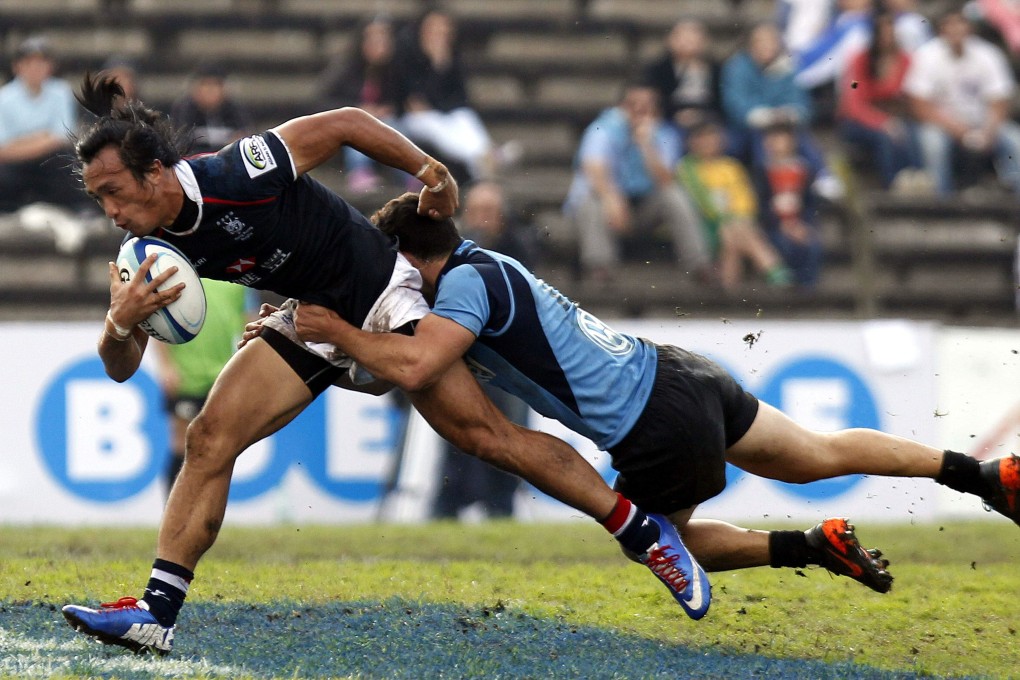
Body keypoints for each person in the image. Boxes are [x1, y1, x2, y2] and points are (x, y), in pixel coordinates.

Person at [60, 73, 708, 656]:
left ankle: (641, 531)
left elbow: (344, 122)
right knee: (208, 439)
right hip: (310, 318)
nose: (111, 212)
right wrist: (121, 321)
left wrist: (432, 170)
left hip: (379, 295)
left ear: (153, 171)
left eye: (114, 192)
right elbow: (121, 367)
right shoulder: (144, 251)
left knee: (489, 437)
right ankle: (157, 613)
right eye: (98, 200)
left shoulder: (238, 173)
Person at [281, 191, 1019, 613]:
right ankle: (979, 475)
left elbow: (416, 365)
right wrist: (338, 355)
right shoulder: (488, 263)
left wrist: (333, 328)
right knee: (817, 454)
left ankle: (808, 549)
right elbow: (393, 366)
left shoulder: (463, 289)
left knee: (659, 539)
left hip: (652, 426)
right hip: (685, 377)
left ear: (408, 257)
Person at [433, 181, 534, 519]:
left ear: (502, 217)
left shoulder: (518, 247)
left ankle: (500, 504)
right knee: (457, 434)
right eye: (475, 212)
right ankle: (449, 505)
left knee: (510, 433)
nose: (481, 220)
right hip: (461, 356)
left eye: (488, 212)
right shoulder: (450, 247)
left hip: (507, 360)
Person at [562, 82, 711, 284]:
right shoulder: (602, 128)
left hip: (644, 208)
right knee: (592, 202)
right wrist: (612, 199)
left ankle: (699, 265)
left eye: (647, 105)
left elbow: (667, 180)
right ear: (622, 106)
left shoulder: (664, 133)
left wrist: (646, 145)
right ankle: (600, 268)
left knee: (675, 195)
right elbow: (593, 169)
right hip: (608, 206)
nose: (640, 111)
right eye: (633, 105)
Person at [902, 9, 1020, 197]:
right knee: (933, 143)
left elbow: (999, 98)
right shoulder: (927, 55)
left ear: (969, 28)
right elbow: (919, 104)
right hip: (942, 125)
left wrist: (989, 131)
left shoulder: (988, 54)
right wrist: (958, 129)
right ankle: (942, 200)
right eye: (950, 24)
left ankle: (1016, 201)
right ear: (942, 29)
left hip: (983, 124)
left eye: (960, 24)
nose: (956, 29)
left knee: (1015, 140)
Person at [720, 23, 842, 201]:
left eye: (771, 41)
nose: (766, 47)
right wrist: (762, 115)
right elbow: (734, 103)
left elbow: (802, 103)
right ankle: (769, 187)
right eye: (760, 42)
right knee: (763, 138)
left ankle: (822, 175)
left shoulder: (787, 67)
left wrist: (791, 113)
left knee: (798, 136)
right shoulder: (737, 67)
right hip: (746, 129)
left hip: (782, 125)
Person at [154, 279, 256, 493]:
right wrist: (165, 366)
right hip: (186, 376)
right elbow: (158, 320)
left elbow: (251, 323)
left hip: (223, 376)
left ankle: (202, 515)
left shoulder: (238, 279)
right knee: (181, 445)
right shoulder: (179, 272)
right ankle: (173, 518)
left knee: (215, 450)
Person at [675, 121, 792, 290]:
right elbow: (699, 201)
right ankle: (775, 271)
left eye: (712, 138)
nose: (708, 143)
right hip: (705, 226)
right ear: (692, 142)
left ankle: (729, 289)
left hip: (736, 224)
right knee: (732, 231)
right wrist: (724, 220)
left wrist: (736, 219)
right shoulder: (686, 168)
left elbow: (745, 200)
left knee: (732, 235)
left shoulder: (731, 167)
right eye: (702, 138)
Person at [393, 7, 498, 182]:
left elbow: (460, 97)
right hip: (414, 118)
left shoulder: (452, 58)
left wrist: (441, 63)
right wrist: (435, 65)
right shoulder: (408, 55)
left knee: (464, 116)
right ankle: (483, 157)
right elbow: (415, 98)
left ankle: (485, 155)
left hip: (444, 112)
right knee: (435, 125)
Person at [837, 10, 923, 191]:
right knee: (886, 138)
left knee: (913, 134)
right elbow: (853, 102)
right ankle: (891, 185)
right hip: (859, 119)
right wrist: (882, 122)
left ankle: (916, 182)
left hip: (896, 116)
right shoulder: (859, 60)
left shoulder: (906, 60)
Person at [316, 16, 402, 194]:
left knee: (396, 127)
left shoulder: (394, 71)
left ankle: (405, 173)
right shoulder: (345, 69)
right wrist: (358, 108)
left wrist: (385, 109)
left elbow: (401, 100)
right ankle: (359, 171)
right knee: (358, 127)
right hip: (351, 121)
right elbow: (324, 99)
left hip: (384, 121)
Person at [0, 37, 86, 214]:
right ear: (17, 66)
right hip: (15, 165)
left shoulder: (61, 92)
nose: (35, 68)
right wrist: (42, 137)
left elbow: (62, 136)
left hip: (50, 162)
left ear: (50, 67)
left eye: (41, 62)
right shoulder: (4, 98)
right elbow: (3, 149)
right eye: (29, 63)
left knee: (69, 163)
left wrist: (23, 143)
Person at [755, 122, 824, 289]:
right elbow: (759, 204)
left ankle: (808, 290)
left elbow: (810, 203)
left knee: (812, 246)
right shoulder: (761, 171)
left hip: (799, 223)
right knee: (782, 246)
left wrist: (803, 224)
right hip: (773, 226)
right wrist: (779, 224)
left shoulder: (804, 170)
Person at [641, 18, 725, 136]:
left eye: (693, 38)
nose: (687, 43)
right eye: (683, 38)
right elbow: (655, 99)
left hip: (708, 120)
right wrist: (676, 115)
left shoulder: (716, 69)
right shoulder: (659, 69)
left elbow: (721, 102)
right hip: (671, 120)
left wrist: (703, 115)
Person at [170, 62, 253, 155]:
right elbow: (180, 143)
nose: (210, 90)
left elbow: (244, 139)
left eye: (215, 85)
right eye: (205, 84)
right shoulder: (184, 109)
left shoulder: (236, 110)